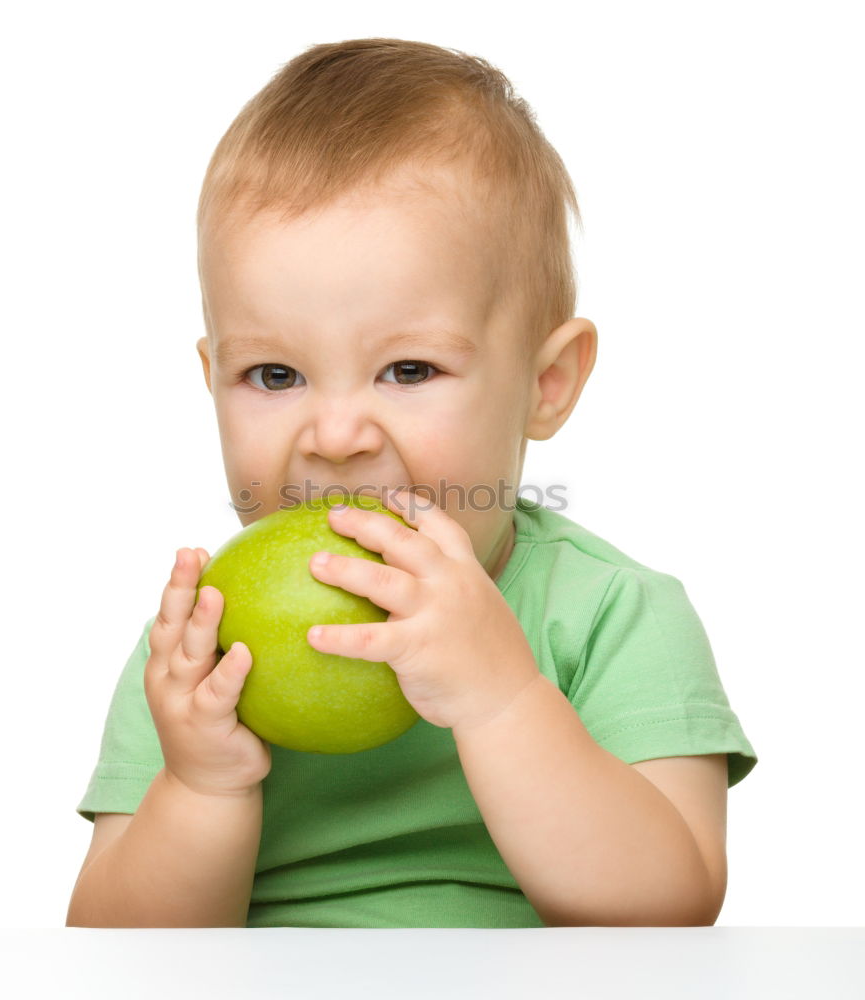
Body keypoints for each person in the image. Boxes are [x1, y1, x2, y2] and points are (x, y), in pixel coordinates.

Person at [66, 37, 757, 929]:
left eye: (409, 370)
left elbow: (666, 911)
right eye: (275, 376)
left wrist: (500, 698)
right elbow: (112, 955)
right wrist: (202, 785)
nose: (338, 436)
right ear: (212, 380)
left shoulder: (611, 616)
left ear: (546, 384)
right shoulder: (204, 647)